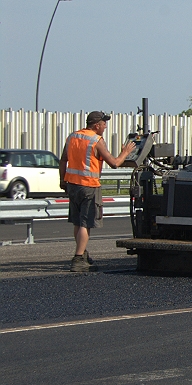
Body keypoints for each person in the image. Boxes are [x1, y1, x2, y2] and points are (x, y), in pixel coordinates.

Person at [59, 111, 136, 272]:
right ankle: (78, 258)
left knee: (77, 222)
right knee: (85, 223)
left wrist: (62, 180)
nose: (105, 126)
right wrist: (126, 152)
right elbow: (114, 163)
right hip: (89, 186)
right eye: (104, 123)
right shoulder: (96, 140)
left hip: (72, 185)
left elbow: (63, 160)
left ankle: (82, 252)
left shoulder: (73, 136)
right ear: (96, 125)